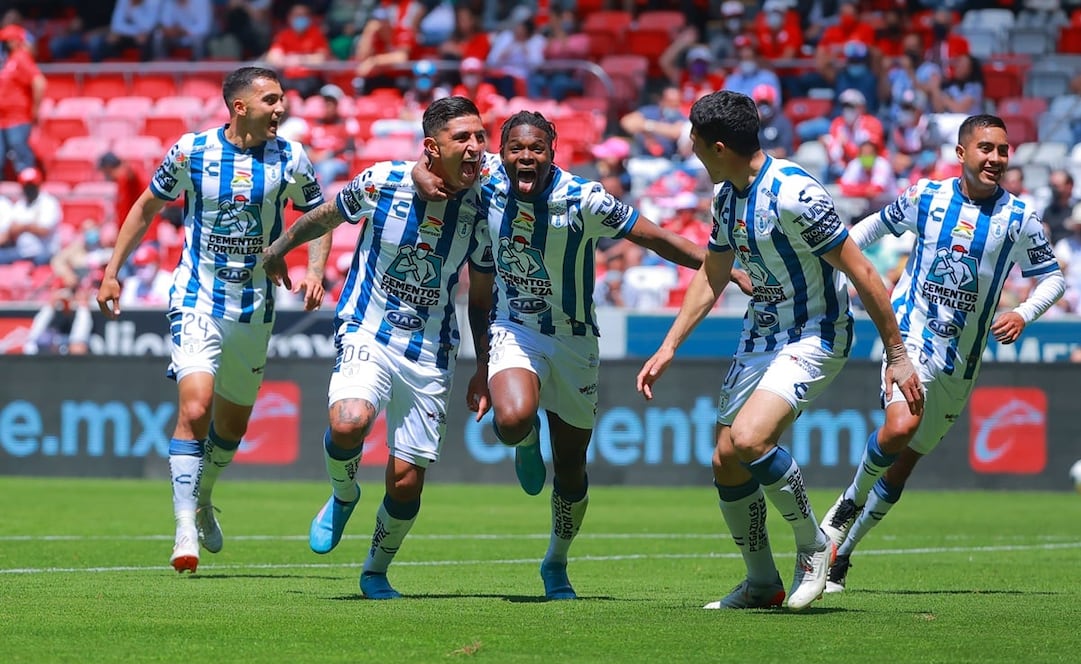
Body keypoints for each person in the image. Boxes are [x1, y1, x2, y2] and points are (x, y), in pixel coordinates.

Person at [411, 110, 747, 601]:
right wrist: (421, 173)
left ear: (553, 150)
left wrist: (719, 264)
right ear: (501, 153)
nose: (525, 157)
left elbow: (651, 236)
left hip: (575, 342)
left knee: (571, 468)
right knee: (512, 419)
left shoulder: (583, 198)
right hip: (515, 328)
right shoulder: (484, 181)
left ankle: (556, 561)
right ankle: (525, 442)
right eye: (515, 149)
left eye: (536, 149)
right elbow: (427, 165)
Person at [634, 90, 923, 611]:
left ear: (719, 146)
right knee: (726, 461)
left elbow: (861, 270)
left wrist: (897, 353)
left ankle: (815, 544)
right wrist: (670, 344)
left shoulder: (795, 194)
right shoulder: (726, 197)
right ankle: (762, 582)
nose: (691, 149)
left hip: (816, 331)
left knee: (748, 439)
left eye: (696, 142)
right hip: (760, 335)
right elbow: (714, 272)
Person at [95, 66, 328, 574]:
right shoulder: (190, 151)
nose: (281, 108)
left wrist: (315, 268)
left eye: (282, 99)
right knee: (195, 406)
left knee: (231, 426)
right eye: (271, 99)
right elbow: (146, 207)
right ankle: (183, 527)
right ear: (239, 106)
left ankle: (204, 497)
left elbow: (317, 215)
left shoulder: (291, 157)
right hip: (197, 297)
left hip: (255, 309)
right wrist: (112, 271)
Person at [819, 114, 1066, 593]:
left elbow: (1053, 277)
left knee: (905, 460)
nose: (995, 158)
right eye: (985, 148)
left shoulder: (1019, 218)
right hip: (909, 340)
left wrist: (1025, 313)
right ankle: (845, 506)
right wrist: (836, 263)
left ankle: (843, 553)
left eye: (1002, 150)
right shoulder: (926, 197)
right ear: (961, 153)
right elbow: (872, 228)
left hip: (962, 364)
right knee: (900, 425)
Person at [260, 96, 492, 600]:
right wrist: (279, 249)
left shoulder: (484, 201)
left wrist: (483, 367)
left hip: (431, 350)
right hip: (367, 327)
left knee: (406, 482)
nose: (476, 147)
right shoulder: (382, 181)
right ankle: (343, 495)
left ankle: (375, 570)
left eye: (480, 136)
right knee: (348, 421)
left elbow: (480, 296)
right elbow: (325, 216)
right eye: (463, 139)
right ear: (432, 147)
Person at [0, 24, 45, 178]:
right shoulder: (8, 60)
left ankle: (29, 185)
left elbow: (39, 82)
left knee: (19, 151)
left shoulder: (21, 57)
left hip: (17, 116)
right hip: (3, 118)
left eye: (8, 40)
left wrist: (35, 108)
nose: (5, 43)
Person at [0, 167, 61, 266]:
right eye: (26, 186)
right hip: (21, 251)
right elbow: (11, 230)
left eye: (31, 185)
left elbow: (44, 230)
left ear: (38, 185)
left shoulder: (48, 202)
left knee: (41, 259)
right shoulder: (20, 204)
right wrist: (30, 225)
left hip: (44, 252)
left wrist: (23, 226)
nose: (28, 189)